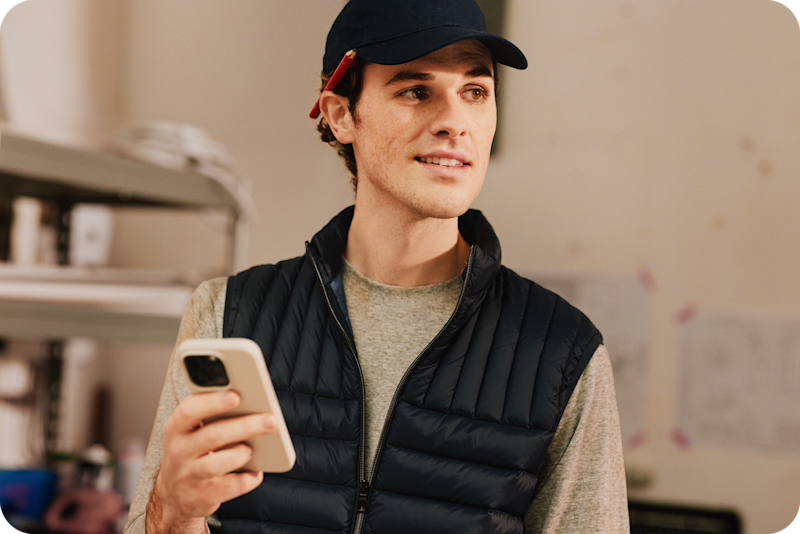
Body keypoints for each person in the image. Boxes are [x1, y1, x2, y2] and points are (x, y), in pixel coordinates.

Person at [124, 1, 629, 532]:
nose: (455, 122)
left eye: (475, 92)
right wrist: (173, 511)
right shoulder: (227, 314)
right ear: (342, 113)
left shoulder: (563, 352)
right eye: (416, 91)